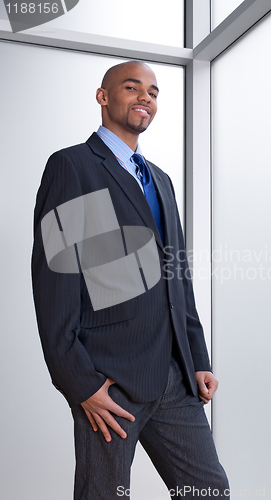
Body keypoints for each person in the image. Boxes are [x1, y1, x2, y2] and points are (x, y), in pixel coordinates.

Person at [32, 60, 229, 499]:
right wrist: (80, 382)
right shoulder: (74, 168)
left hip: (174, 379)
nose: (145, 97)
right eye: (132, 87)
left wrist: (197, 357)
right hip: (109, 381)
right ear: (103, 97)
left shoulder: (160, 181)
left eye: (154, 92)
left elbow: (178, 278)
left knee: (209, 490)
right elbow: (55, 283)